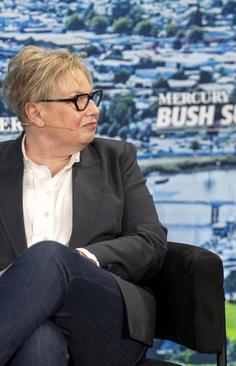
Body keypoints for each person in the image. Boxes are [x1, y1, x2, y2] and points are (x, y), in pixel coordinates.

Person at [0, 46, 167, 365]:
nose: (94, 110)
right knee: (40, 340)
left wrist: (79, 259)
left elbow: (151, 242)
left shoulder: (117, 159)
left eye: (93, 97)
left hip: (105, 325)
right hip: (19, 323)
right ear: (35, 113)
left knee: (49, 256)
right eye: (79, 100)